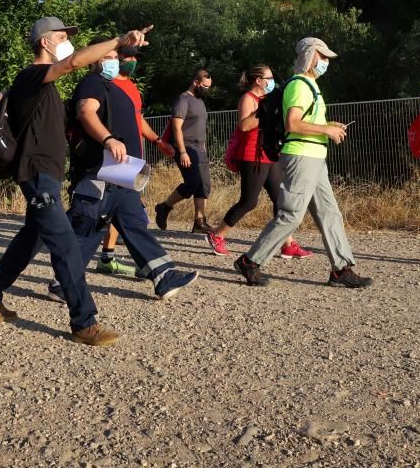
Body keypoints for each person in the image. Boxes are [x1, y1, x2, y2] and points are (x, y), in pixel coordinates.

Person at [0, 16, 151, 346]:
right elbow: (73, 62)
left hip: (48, 175)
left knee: (31, 237)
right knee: (66, 244)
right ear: (45, 42)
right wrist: (118, 40)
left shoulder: (47, 89)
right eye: (62, 35)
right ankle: (84, 322)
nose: (67, 40)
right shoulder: (30, 76)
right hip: (37, 174)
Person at [45, 48, 198, 302]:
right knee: (88, 226)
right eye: (109, 56)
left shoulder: (114, 87)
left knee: (132, 222)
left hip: (121, 171)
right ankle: (62, 282)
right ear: (94, 60)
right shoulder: (93, 82)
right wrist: (108, 139)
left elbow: (136, 119)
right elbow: (85, 111)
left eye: (115, 57)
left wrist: (157, 141)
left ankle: (164, 275)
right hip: (101, 169)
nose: (115, 61)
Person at [234, 38, 373, 289]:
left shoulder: (309, 85)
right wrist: (326, 130)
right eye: (323, 56)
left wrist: (328, 127)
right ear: (310, 57)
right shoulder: (300, 86)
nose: (327, 62)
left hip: (314, 157)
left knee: (329, 214)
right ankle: (250, 261)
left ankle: (342, 270)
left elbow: (304, 123)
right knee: (291, 215)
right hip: (301, 156)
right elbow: (293, 124)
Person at [206, 65, 312, 259]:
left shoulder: (265, 99)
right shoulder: (248, 99)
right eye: (269, 78)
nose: (272, 81)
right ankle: (217, 235)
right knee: (248, 202)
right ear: (258, 80)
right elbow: (245, 125)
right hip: (252, 155)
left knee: (280, 200)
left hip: (269, 153)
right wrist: (265, 112)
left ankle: (287, 244)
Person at [95, 45, 175, 275]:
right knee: (127, 215)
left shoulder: (131, 87)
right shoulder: (107, 86)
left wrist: (158, 141)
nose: (132, 61)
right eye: (127, 57)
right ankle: (151, 267)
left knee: (119, 212)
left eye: (135, 57)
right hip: (117, 161)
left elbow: (138, 119)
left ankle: (107, 259)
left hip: (133, 161)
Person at [154, 68, 214, 234]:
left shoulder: (200, 101)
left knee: (204, 186)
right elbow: (176, 128)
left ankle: (199, 222)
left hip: (200, 149)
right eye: (205, 86)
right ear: (196, 82)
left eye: (209, 87)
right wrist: (182, 152)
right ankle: (164, 207)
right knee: (193, 183)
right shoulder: (183, 99)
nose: (207, 90)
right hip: (186, 147)